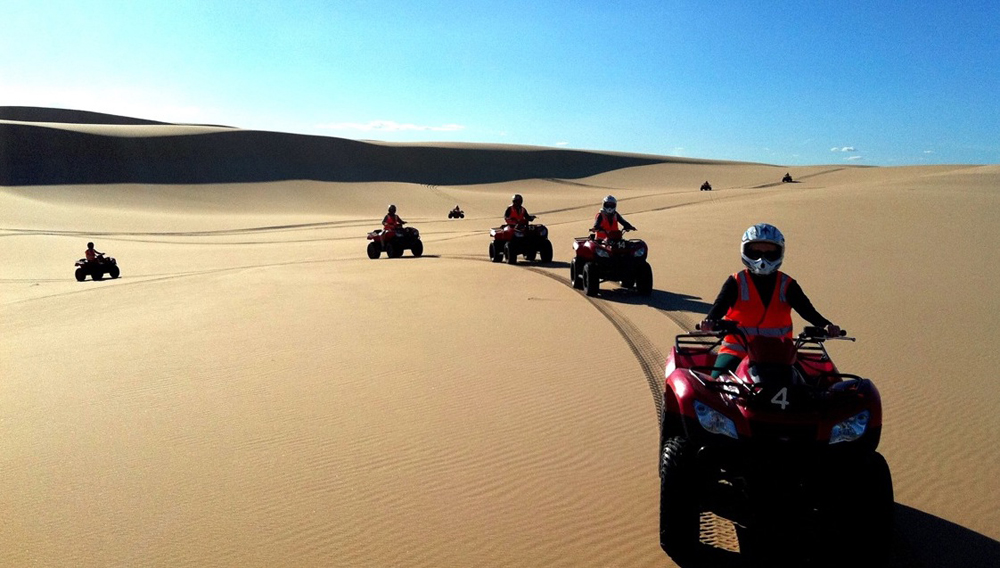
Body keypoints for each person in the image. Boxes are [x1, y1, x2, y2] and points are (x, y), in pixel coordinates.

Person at [700, 223, 840, 378]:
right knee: (717, 385)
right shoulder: (736, 281)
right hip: (737, 351)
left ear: (779, 253)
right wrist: (710, 321)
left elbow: (808, 311)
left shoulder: (787, 284)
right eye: (756, 252)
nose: (762, 258)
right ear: (745, 251)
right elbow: (719, 307)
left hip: (779, 355)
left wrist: (826, 325)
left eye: (770, 253)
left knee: (807, 389)